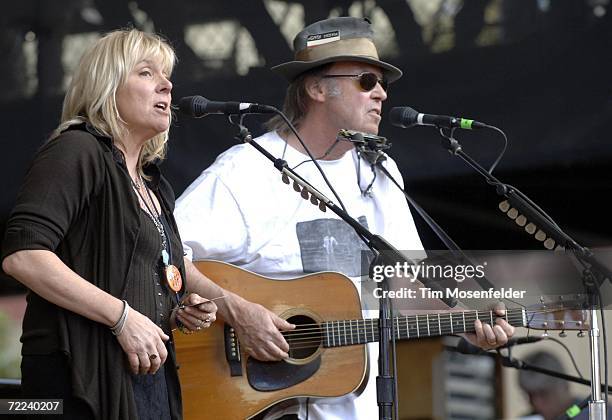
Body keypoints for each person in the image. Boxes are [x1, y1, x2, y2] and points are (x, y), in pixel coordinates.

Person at [174, 17, 515, 419]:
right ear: (317, 88)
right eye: (366, 81)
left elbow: (405, 288)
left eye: (383, 83)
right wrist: (238, 312)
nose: (382, 94)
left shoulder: (380, 171)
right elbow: (166, 256)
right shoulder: (242, 173)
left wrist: (463, 321)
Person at [1, 29, 219, 419]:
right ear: (107, 86)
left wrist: (177, 308)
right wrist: (122, 317)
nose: (166, 84)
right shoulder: (77, 150)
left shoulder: (153, 182)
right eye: (146, 73)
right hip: (78, 376)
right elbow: (25, 256)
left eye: (167, 75)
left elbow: (141, 277)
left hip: (144, 377)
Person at [518, 351, 611, 420]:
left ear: (564, 386)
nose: (536, 403)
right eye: (529, 394)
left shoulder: (601, 413)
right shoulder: (529, 418)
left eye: (544, 394)